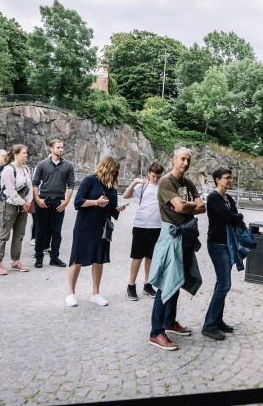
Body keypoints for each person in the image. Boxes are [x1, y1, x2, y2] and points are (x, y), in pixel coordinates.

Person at [146, 148, 207, 351]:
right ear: (174, 159)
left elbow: (201, 207)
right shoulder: (166, 182)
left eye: (189, 160)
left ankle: (169, 322)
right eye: (182, 159)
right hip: (171, 236)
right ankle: (156, 332)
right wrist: (188, 206)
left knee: (178, 278)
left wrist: (185, 205)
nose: (186, 163)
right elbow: (181, 208)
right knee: (166, 281)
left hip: (186, 236)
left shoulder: (187, 183)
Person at [66, 156, 127, 307]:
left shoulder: (112, 185)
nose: (115, 174)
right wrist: (96, 202)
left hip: (102, 227)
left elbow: (111, 208)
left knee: (98, 259)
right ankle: (71, 293)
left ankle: (96, 293)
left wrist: (117, 209)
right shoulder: (89, 180)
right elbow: (78, 202)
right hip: (85, 226)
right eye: (114, 171)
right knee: (77, 259)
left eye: (116, 172)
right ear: (106, 167)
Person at [201, 166, 245, 341]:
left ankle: (217, 320)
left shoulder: (228, 198)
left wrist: (237, 216)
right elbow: (229, 216)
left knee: (222, 283)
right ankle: (209, 325)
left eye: (231, 177)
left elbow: (232, 214)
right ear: (217, 179)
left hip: (228, 245)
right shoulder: (213, 197)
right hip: (217, 245)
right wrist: (238, 216)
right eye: (227, 177)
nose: (230, 180)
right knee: (224, 283)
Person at [122, 161, 165, 300]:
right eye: (153, 176)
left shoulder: (162, 187)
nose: (156, 179)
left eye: (158, 176)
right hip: (140, 225)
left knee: (151, 257)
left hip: (157, 227)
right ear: (149, 173)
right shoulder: (143, 186)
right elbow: (126, 196)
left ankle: (148, 284)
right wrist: (135, 183)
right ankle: (131, 285)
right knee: (137, 257)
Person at [31, 139, 75, 268]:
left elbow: (71, 184)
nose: (61, 149)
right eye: (58, 147)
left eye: (62, 147)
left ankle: (54, 258)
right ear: (51, 148)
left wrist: (67, 200)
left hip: (59, 201)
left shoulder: (68, 165)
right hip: (43, 199)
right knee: (41, 230)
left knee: (57, 231)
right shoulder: (42, 164)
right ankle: (38, 257)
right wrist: (37, 199)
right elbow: (35, 182)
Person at [0, 144, 34, 275]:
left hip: (23, 206)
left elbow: (30, 187)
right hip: (8, 204)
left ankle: (16, 262)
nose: (26, 155)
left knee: (19, 234)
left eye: (26, 153)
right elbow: (10, 190)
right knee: (4, 234)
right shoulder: (8, 169)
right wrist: (23, 203)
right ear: (16, 154)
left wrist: (27, 202)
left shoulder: (26, 169)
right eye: (24, 153)